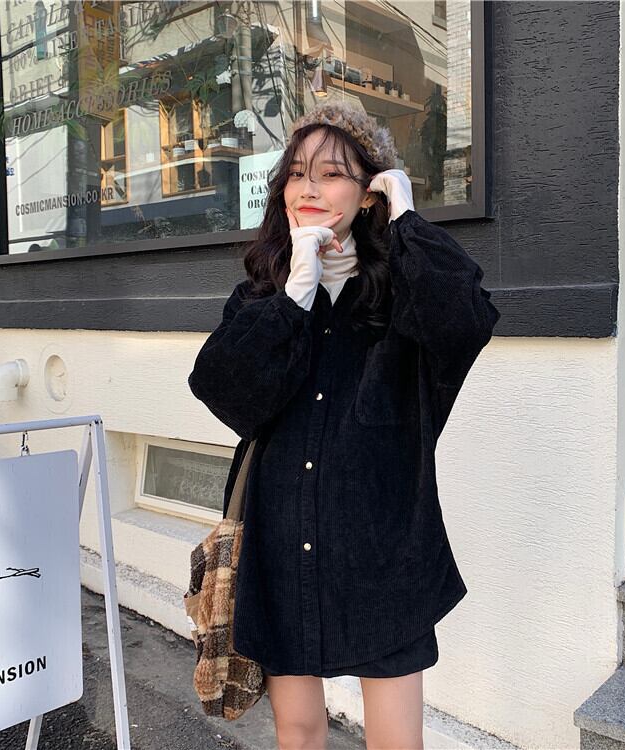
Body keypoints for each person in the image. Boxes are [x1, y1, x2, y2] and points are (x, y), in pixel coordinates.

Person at [188, 100, 501, 750]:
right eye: (297, 172)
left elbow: (465, 320)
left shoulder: (398, 293)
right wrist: (296, 294)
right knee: (299, 733)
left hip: (383, 553)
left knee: (396, 741)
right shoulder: (265, 294)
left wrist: (408, 221)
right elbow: (222, 388)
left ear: (368, 192)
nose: (308, 187)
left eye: (331, 173)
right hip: (282, 544)